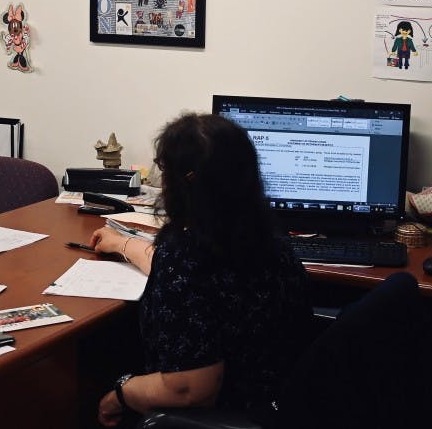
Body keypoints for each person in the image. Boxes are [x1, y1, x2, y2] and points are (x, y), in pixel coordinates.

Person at [90, 113, 312, 427]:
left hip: (228, 410)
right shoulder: (265, 235)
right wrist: (123, 244)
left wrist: (120, 393)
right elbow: (195, 281)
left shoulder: (187, 254)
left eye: (165, 168)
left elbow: (190, 390)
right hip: (282, 398)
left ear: (187, 181)